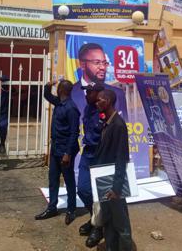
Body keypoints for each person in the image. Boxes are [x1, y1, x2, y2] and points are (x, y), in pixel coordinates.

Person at [35, 80, 80, 225]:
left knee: (69, 180)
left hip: (65, 150)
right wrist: (48, 85)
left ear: (60, 90)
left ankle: (71, 210)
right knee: (53, 178)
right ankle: (52, 207)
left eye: (58, 87)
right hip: (55, 148)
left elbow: (74, 133)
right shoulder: (59, 102)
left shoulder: (71, 108)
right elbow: (47, 95)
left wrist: (67, 153)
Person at [94, 89, 133, 251]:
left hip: (113, 183)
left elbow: (121, 157)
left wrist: (116, 188)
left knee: (121, 221)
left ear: (108, 101)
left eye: (99, 100)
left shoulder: (118, 125)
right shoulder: (107, 122)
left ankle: (126, 248)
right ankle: (111, 246)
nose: (96, 103)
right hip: (105, 179)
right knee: (108, 218)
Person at [77, 82, 104, 248]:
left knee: (100, 194)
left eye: (90, 92)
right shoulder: (88, 109)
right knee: (83, 189)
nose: (86, 95)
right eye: (86, 92)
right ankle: (94, 218)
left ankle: (99, 227)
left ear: (99, 93)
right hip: (88, 153)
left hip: (101, 155)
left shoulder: (105, 111)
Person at [71, 43, 128, 121]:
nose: (102, 67)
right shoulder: (71, 93)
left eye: (104, 63)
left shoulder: (118, 94)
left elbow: (125, 122)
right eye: (97, 63)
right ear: (83, 65)